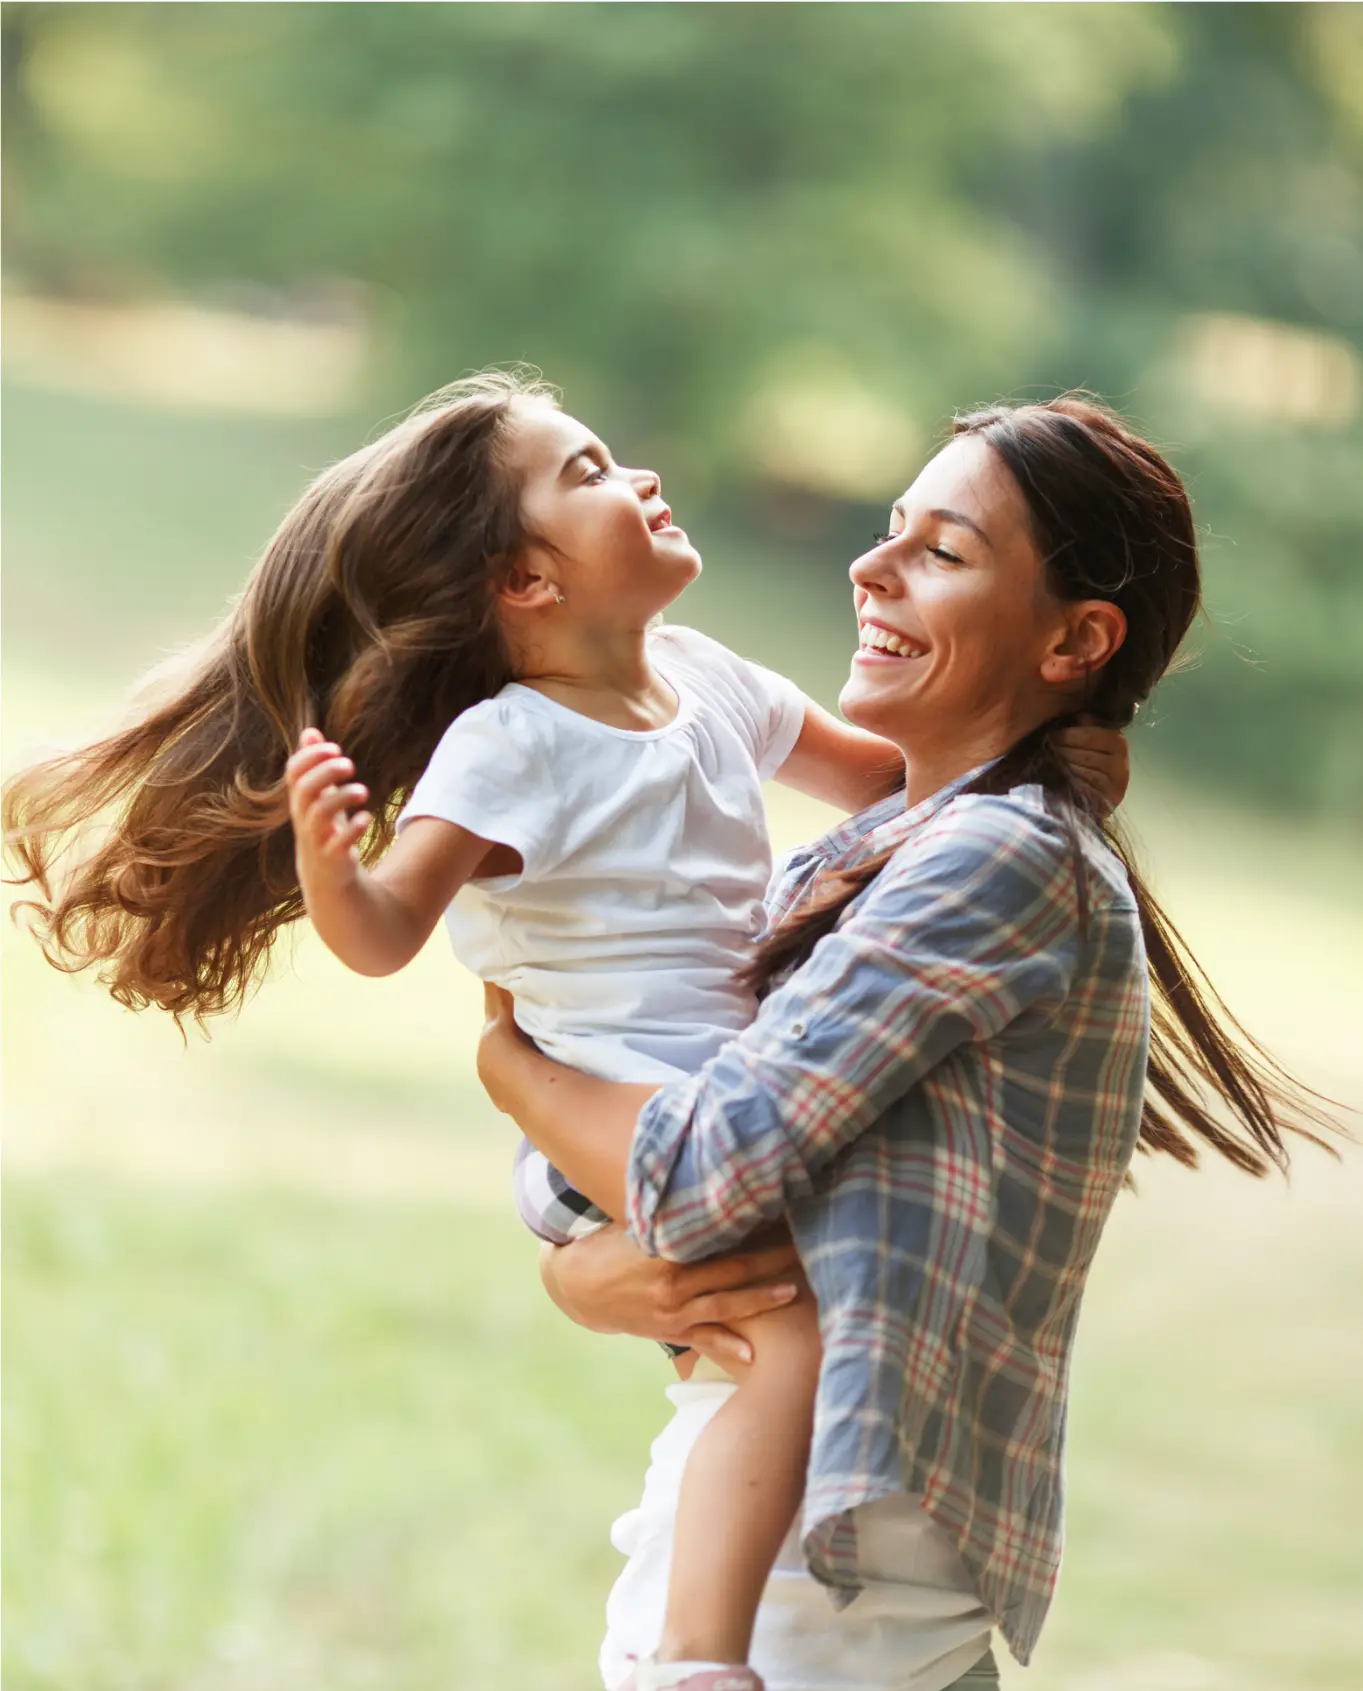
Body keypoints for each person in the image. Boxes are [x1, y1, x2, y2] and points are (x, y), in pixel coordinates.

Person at [1, 372, 1127, 1691]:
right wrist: (329, 861)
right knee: (785, 1340)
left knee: (782, 1337)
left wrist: (505, 1072)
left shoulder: (769, 720)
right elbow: (381, 933)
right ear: (525, 582)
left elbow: (887, 793)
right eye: (588, 471)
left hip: (729, 1241)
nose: (639, 474)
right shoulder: (512, 745)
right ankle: (703, 1658)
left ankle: (699, 1650)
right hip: (633, 1105)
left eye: (936, 550)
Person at [476, 395, 1339, 1691]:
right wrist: (582, 1273)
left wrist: (509, 1069)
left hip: (825, 1614)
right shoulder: (879, 854)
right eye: (887, 532)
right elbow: (723, 1211)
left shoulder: (1004, 857)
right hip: (794, 1580)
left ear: (1072, 641)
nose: (867, 570)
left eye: (939, 550)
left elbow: (703, 1166)